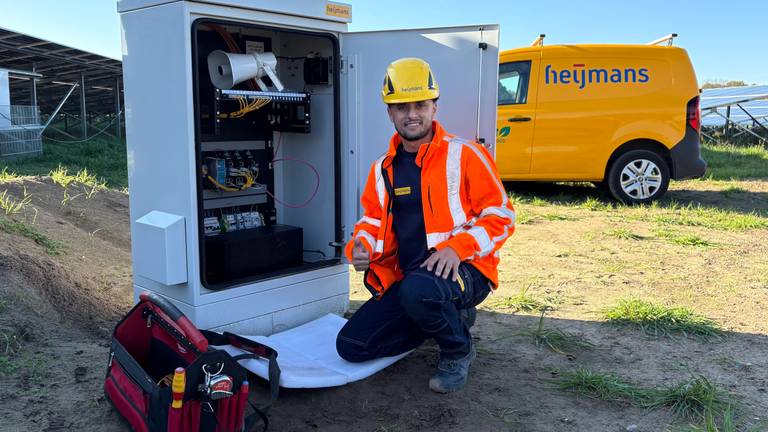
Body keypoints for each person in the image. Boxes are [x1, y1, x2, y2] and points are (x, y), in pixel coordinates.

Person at [336, 58, 515, 393]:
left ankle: (458, 348)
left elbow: (502, 216)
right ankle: (442, 318)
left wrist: (456, 248)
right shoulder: (382, 168)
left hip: (468, 271)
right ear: (390, 112)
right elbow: (371, 220)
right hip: (410, 281)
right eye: (401, 107)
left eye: (420, 104)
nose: (411, 114)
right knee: (351, 346)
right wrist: (360, 245)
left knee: (421, 291)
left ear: (434, 106)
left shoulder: (466, 155)